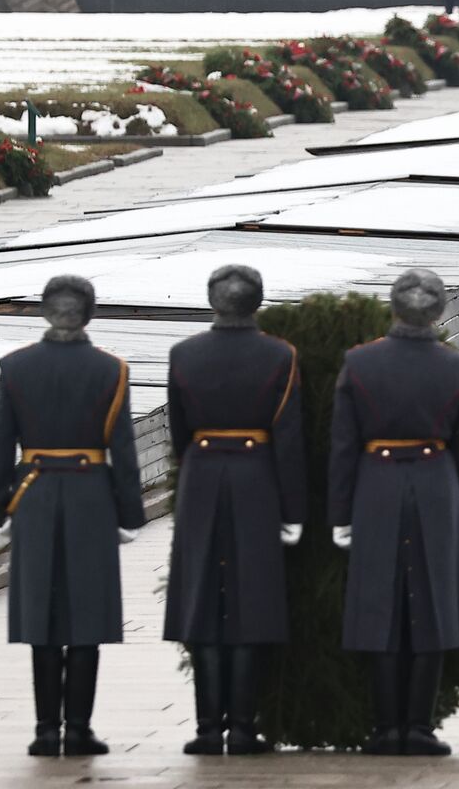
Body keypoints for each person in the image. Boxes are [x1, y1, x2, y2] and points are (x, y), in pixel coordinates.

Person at [0, 275, 145, 757]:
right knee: (87, 616)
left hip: (33, 497)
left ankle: (43, 731)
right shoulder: (111, 369)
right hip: (91, 497)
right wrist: (130, 513)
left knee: (42, 616)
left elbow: (1, 444)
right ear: (89, 314)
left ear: (43, 311)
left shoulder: (15, 367)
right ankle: (77, 729)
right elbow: (123, 449)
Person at [329, 268, 459, 757]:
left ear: (393, 307)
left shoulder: (359, 363)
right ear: (438, 310)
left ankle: (384, 729)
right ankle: (418, 727)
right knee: (432, 607)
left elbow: (343, 446)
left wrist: (341, 513)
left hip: (375, 485)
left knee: (379, 607)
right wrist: (447, 493)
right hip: (435, 482)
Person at [163, 265, 306, 756]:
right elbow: (289, 440)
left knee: (202, 602)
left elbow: (178, 433)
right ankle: (243, 728)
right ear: (258, 302)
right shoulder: (280, 355)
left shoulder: (183, 354)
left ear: (212, 301)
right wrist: (293, 510)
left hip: (202, 478)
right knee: (252, 603)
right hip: (256, 480)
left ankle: (207, 729)